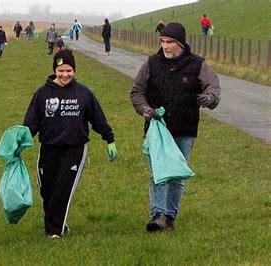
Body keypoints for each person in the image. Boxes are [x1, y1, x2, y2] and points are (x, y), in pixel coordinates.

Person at [130, 22, 221, 232]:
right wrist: (145, 109)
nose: (165, 46)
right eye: (162, 41)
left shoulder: (198, 65)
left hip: (185, 129)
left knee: (177, 175)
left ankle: (170, 217)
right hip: (157, 130)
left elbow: (213, 88)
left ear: (180, 43)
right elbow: (137, 92)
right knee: (158, 174)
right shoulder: (151, 63)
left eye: (169, 42)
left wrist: (209, 99)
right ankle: (158, 215)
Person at [23, 49, 118, 239]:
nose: (65, 74)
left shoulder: (83, 93)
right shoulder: (42, 94)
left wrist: (109, 139)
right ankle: (59, 225)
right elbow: (31, 123)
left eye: (69, 70)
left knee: (62, 189)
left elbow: (98, 118)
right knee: (47, 190)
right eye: (61, 70)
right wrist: (20, 143)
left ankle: (54, 231)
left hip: (75, 148)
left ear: (74, 70)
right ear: (55, 71)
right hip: (48, 148)